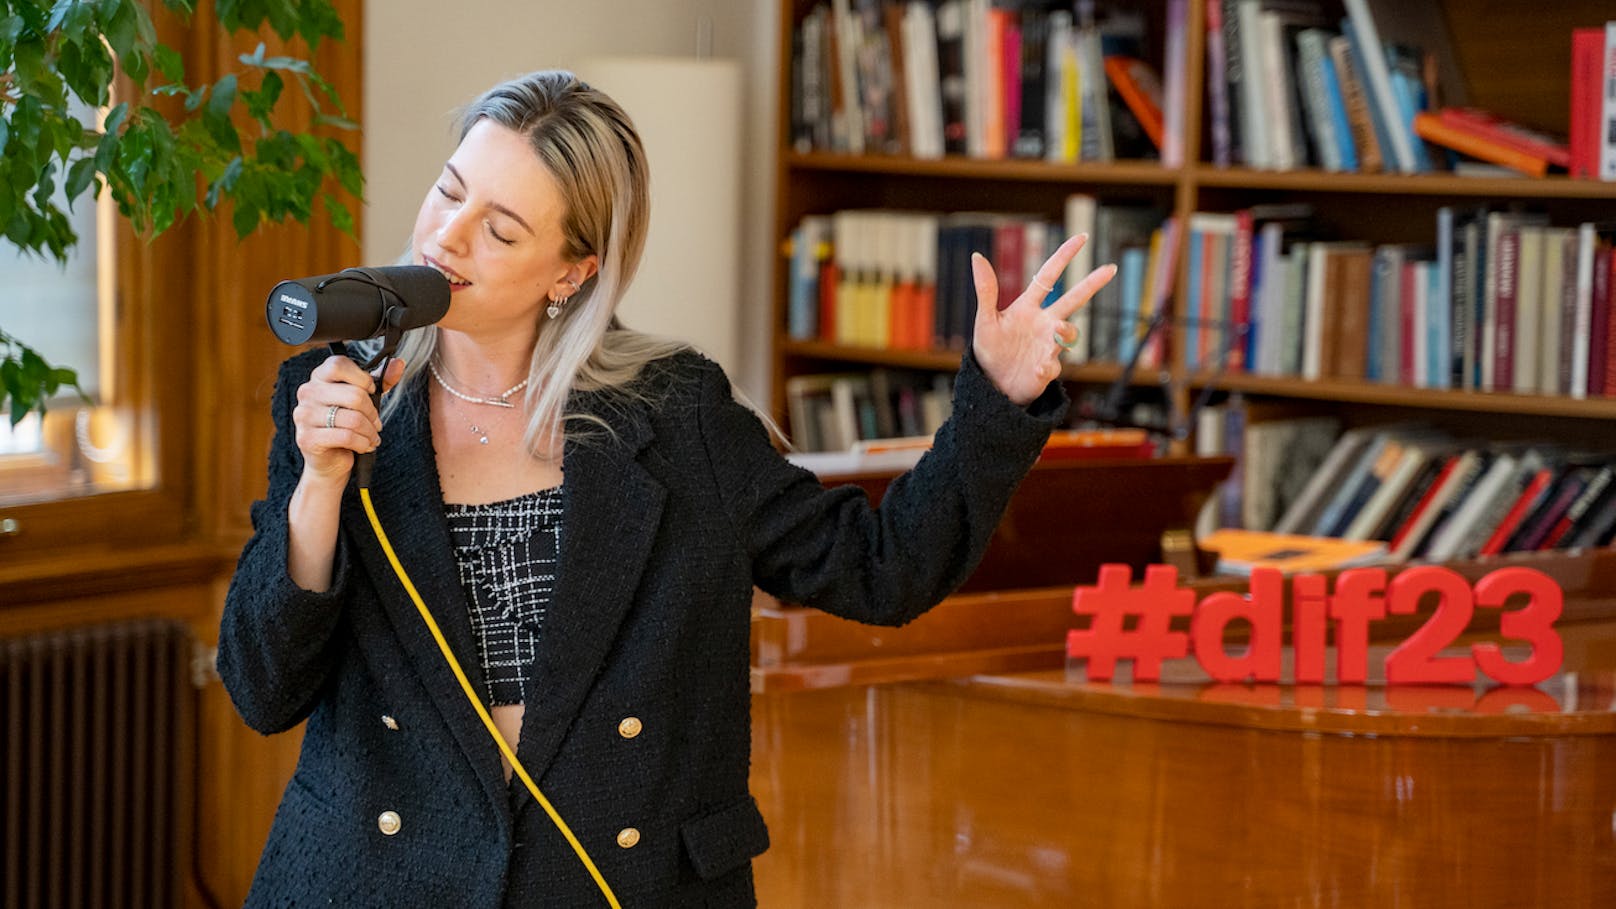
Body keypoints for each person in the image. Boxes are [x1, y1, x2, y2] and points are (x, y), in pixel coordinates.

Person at [218, 69, 1115, 908]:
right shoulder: (334, 399)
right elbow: (262, 691)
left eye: (500, 228)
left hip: (625, 881)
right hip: (375, 880)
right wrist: (322, 485)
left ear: (574, 272)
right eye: (450, 191)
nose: (447, 236)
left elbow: (884, 569)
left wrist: (995, 399)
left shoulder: (676, 414)